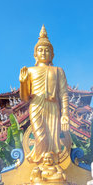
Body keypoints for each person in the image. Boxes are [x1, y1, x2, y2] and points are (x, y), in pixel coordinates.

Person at [19, 25, 69, 163]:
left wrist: (65, 115)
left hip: (53, 106)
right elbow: (24, 98)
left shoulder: (59, 71)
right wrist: (23, 83)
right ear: (35, 54)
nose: (43, 53)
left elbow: (64, 93)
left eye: (47, 50)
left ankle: (51, 164)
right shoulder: (30, 71)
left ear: (52, 54)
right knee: (40, 137)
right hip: (36, 104)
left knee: (53, 139)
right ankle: (38, 163)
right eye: (40, 50)